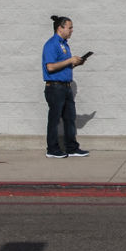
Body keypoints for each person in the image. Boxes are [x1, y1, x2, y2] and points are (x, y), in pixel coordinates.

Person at [41, 15, 89, 158]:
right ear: (60, 28)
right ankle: (52, 149)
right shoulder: (51, 44)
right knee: (54, 119)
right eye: (70, 27)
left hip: (65, 87)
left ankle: (72, 147)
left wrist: (75, 63)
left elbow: (63, 66)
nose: (72, 30)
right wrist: (70, 60)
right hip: (55, 88)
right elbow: (50, 67)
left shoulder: (64, 44)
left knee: (69, 118)